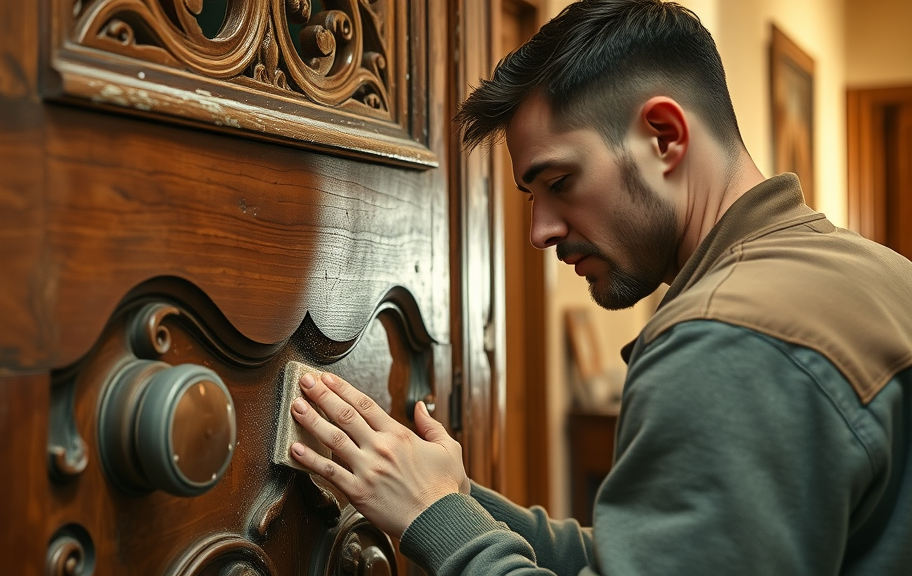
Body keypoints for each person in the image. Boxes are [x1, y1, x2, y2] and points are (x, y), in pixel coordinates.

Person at [288, 0, 912, 574]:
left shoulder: (726, 338)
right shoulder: (875, 272)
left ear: (663, 137)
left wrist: (434, 520)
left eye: (559, 181)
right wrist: (449, 497)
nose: (540, 232)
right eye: (532, 197)